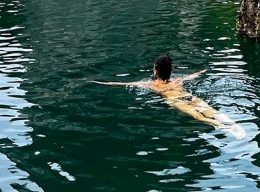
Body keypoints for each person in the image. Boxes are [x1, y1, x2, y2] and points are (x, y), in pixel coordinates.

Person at [92, 55, 246, 138]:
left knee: (198, 116)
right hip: (188, 96)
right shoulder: (177, 80)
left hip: (175, 100)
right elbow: (191, 76)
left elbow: (125, 83)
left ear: (155, 71)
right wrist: (202, 71)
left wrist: (102, 82)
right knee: (211, 111)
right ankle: (234, 125)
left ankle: (227, 129)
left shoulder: (152, 85)